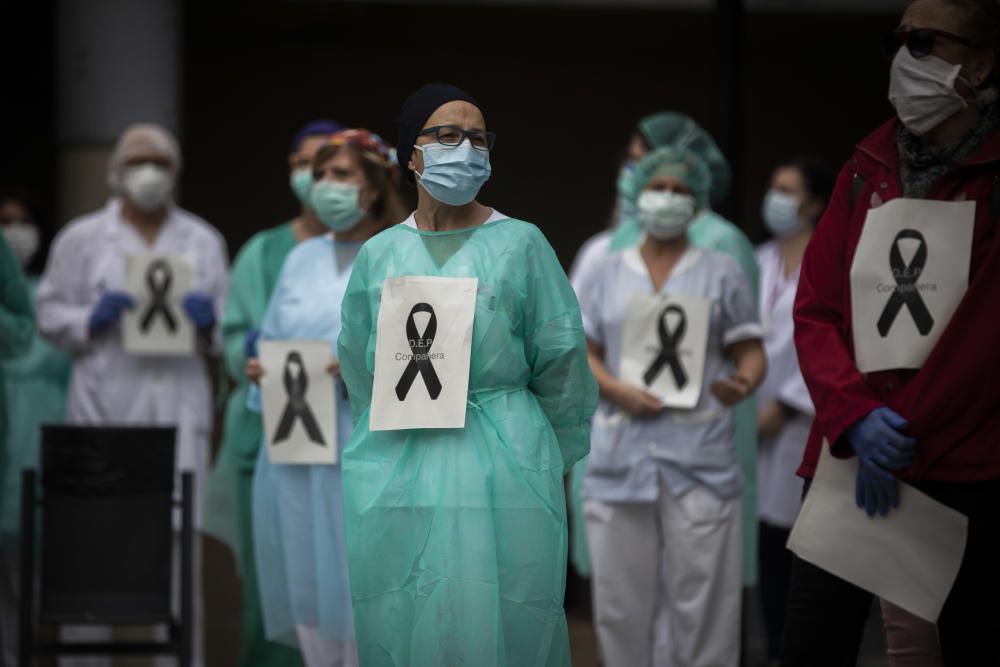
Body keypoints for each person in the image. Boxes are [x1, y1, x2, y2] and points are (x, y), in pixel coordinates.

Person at [337, 84, 597, 666]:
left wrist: (540, 457)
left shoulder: (520, 243)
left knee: (501, 618)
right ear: (411, 154)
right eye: (448, 135)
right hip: (401, 459)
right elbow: (360, 361)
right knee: (408, 616)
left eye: (478, 138)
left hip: (505, 460)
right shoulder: (379, 254)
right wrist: (379, 451)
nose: (467, 148)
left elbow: (561, 360)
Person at [784, 0, 1000, 664]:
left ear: (981, 61)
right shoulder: (865, 168)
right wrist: (854, 417)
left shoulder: (991, 180)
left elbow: (982, 338)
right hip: (851, 457)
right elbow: (815, 307)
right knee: (811, 642)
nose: (907, 59)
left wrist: (902, 423)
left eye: (927, 42)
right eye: (898, 42)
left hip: (959, 463)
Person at [36, 123, 229, 667]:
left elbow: (228, 328)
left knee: (177, 548)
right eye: (138, 161)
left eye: (160, 162)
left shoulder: (203, 240)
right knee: (93, 549)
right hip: (103, 409)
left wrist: (210, 323)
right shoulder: (81, 238)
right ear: (115, 172)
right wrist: (88, 319)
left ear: (176, 171)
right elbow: (48, 313)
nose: (149, 173)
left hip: (178, 406)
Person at [578, 145, 765, 667]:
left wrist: (742, 383)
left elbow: (750, 349)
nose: (668, 199)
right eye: (659, 188)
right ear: (640, 194)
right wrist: (616, 389)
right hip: (620, 456)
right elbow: (584, 351)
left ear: (698, 201)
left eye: (681, 191)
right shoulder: (605, 269)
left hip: (699, 456)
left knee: (704, 605)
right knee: (620, 604)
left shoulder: (721, 270)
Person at [247, 128, 405, 667]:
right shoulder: (300, 258)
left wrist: (361, 363)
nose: (327, 186)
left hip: (368, 442)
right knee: (309, 579)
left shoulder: (398, 253)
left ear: (377, 186)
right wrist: (258, 367)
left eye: (342, 176)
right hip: (297, 443)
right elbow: (272, 336)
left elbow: (428, 353)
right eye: (321, 177)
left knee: (365, 576)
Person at [201, 118, 341, 667]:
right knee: (274, 586)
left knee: (343, 583)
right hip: (272, 429)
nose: (319, 179)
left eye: (333, 169)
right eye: (308, 165)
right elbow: (233, 334)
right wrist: (248, 352)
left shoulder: (378, 248)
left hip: (346, 429)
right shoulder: (264, 251)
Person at [752, 160, 832, 664]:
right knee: (763, 548)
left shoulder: (829, 261)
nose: (776, 199)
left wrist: (786, 403)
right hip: (748, 422)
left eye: (788, 190)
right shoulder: (755, 259)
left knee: (801, 548)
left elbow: (827, 335)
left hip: (800, 422)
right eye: (773, 187)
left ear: (815, 204)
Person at [0, 193, 71, 667]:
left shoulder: (50, 297)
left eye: (23, 221)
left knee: (52, 577)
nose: (15, 231)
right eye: (5, 222)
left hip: (48, 442)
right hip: (6, 444)